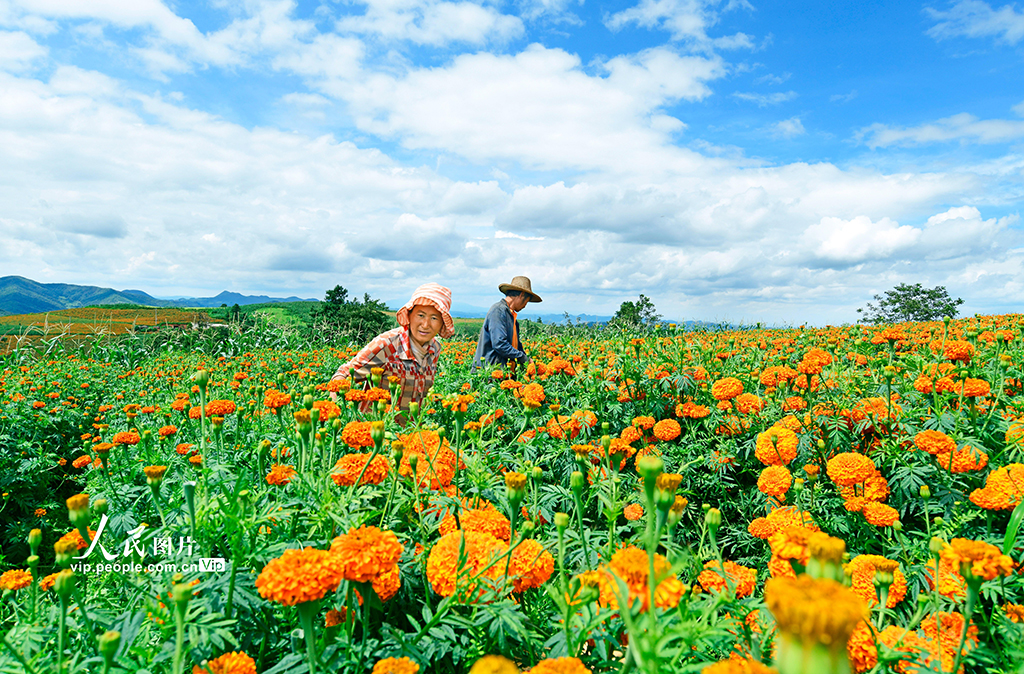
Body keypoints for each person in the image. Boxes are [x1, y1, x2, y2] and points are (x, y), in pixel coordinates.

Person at [330, 283, 453, 420]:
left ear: (442, 323)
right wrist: (338, 418)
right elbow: (343, 375)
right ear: (409, 315)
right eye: (421, 315)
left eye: (434, 318)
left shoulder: (435, 348)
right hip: (374, 430)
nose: (425, 324)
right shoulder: (386, 344)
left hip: (409, 433)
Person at [472, 276, 541, 372]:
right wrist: (523, 358)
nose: (525, 305)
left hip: (503, 372)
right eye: (527, 301)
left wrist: (527, 360)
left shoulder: (512, 317)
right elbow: (499, 344)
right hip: (488, 373)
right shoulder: (498, 311)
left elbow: (516, 346)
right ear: (521, 295)